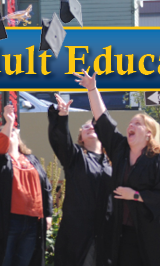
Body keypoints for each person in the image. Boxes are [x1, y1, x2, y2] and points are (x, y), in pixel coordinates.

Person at [74, 70, 160, 266]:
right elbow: (103, 120)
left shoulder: (159, 160)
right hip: (124, 233)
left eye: (137, 123)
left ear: (149, 134)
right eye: (130, 123)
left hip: (154, 235)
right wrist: (92, 89)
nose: (130, 126)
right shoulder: (120, 150)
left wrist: (135, 195)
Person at [0, 104, 53, 266]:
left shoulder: (31, 159)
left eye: (13, 131)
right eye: (4, 131)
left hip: (33, 222)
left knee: (25, 262)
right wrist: (9, 122)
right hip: (9, 221)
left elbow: (46, 187)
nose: (9, 132)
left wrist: (48, 215)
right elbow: (0, 146)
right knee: (4, 261)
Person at [47, 94, 113, 266]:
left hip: (106, 233)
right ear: (81, 137)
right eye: (85, 127)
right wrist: (62, 117)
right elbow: (62, 141)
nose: (90, 127)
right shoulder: (75, 158)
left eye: (94, 125)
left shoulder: (113, 163)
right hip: (78, 233)